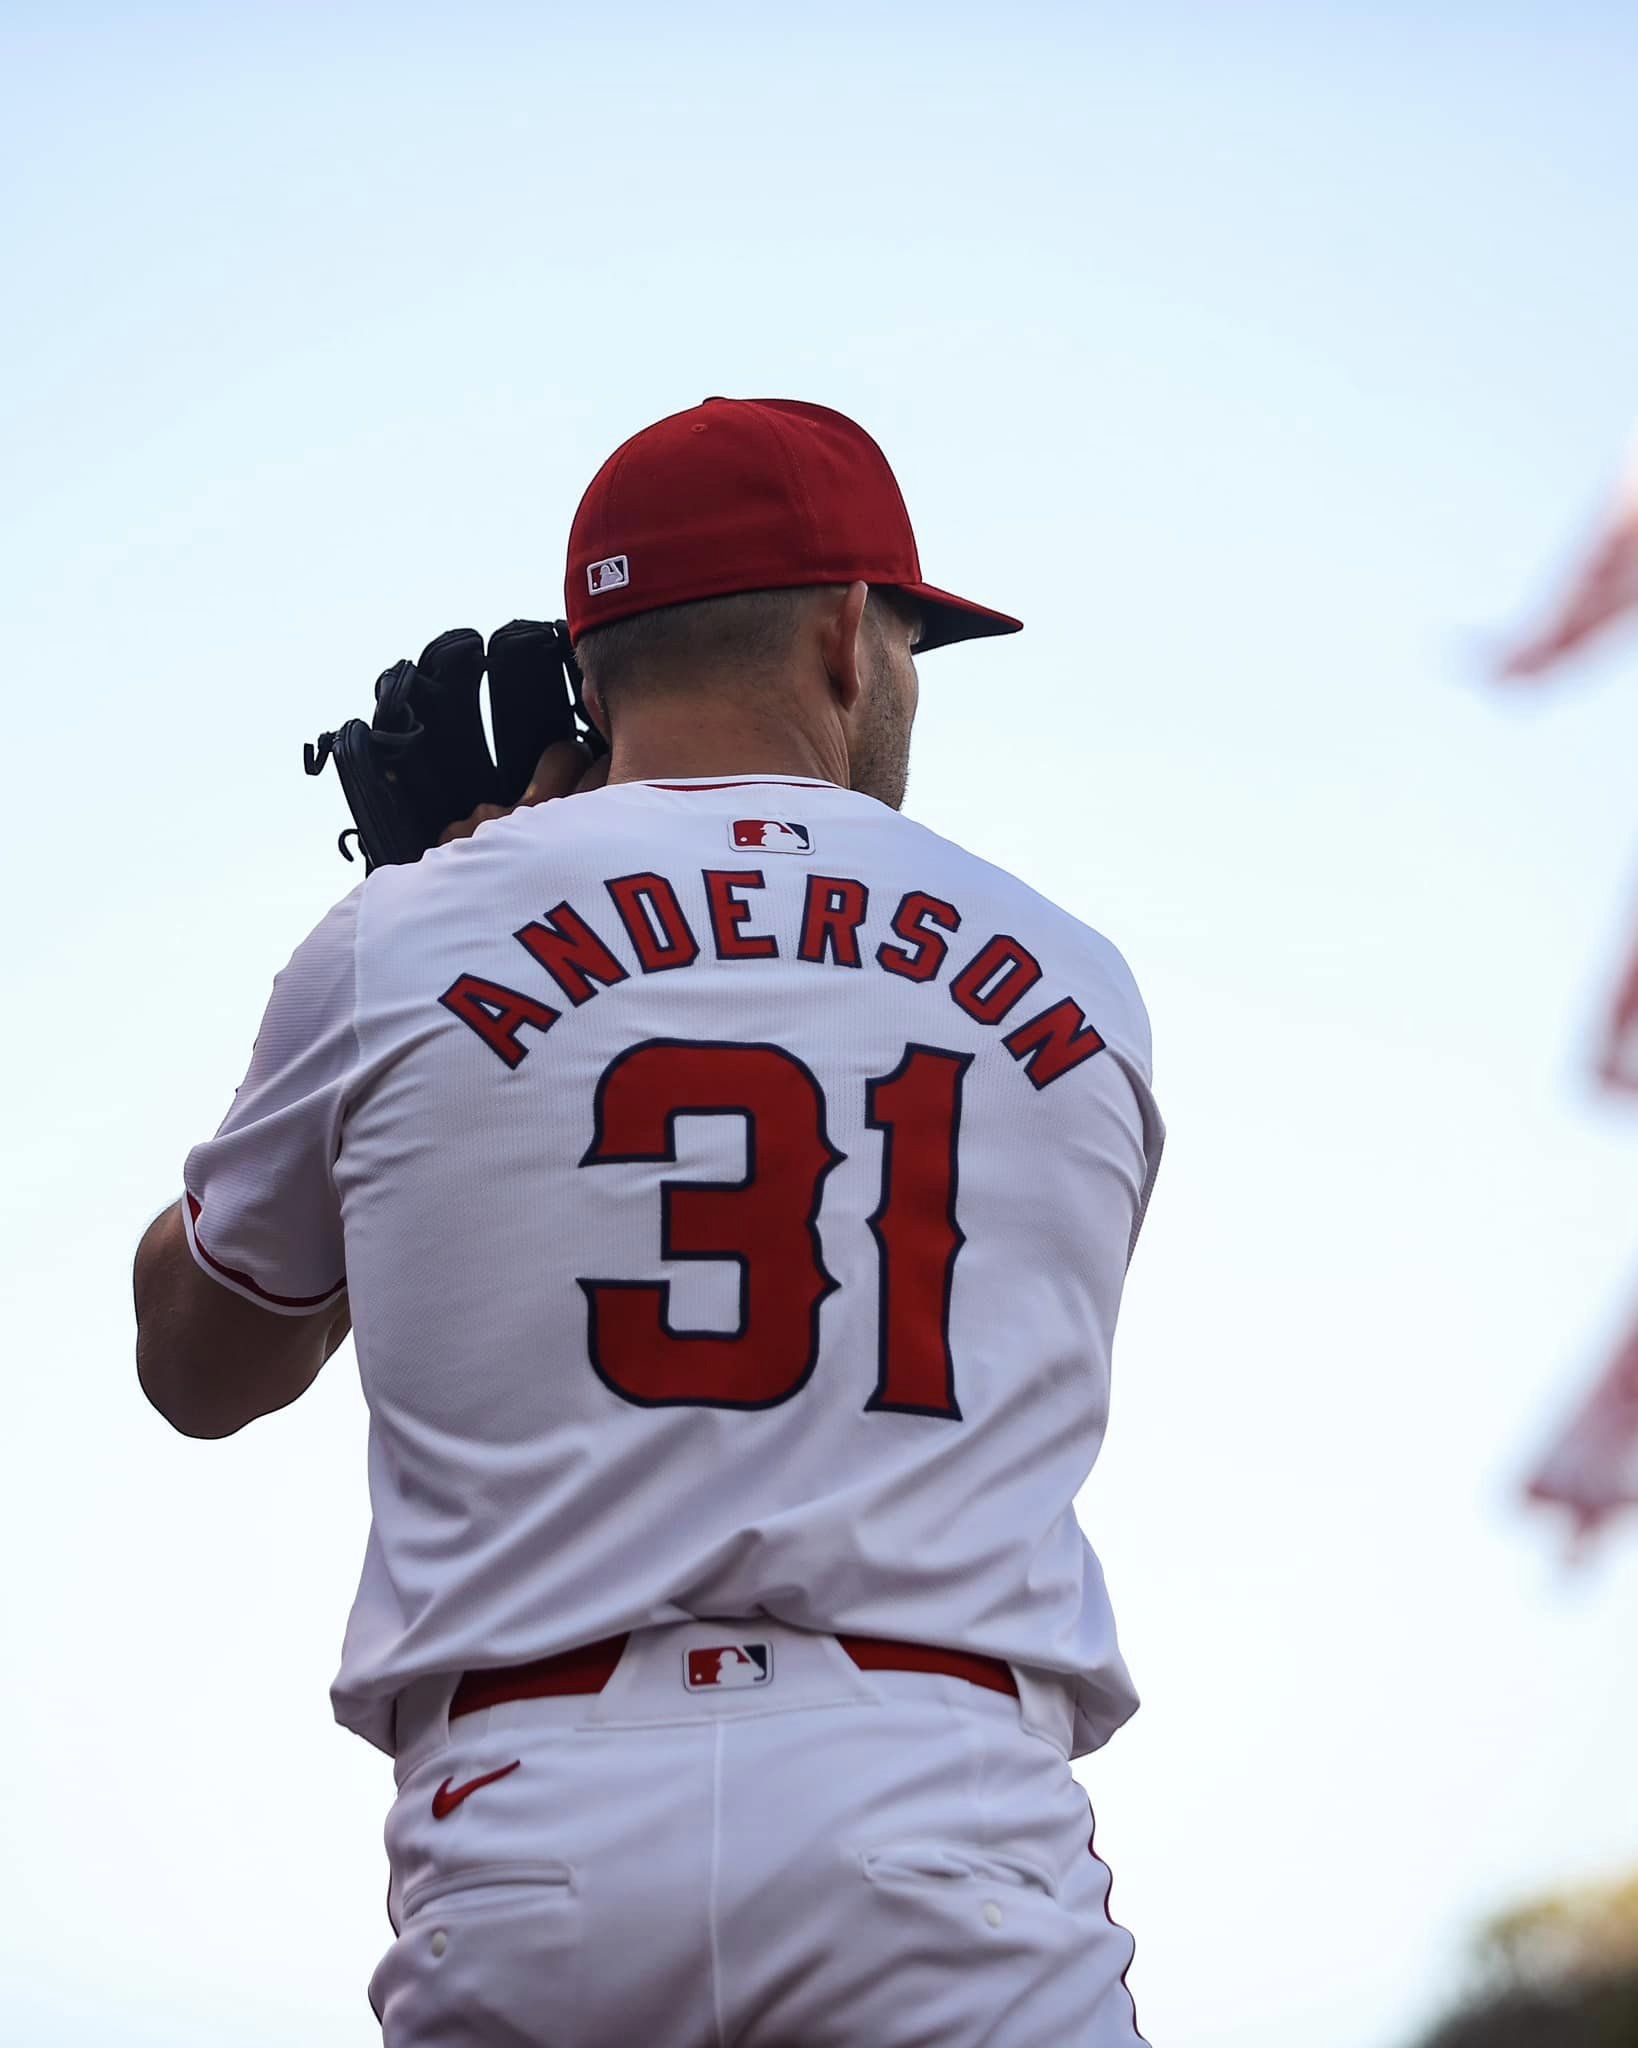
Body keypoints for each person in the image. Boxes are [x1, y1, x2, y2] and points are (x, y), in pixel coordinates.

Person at [133, 396, 1166, 2046]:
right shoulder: (1074, 978)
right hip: (937, 1799)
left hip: (527, 1825)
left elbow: (201, 1368)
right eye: (906, 638)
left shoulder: (398, 938)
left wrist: (448, 888)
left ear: (589, 676)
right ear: (847, 634)